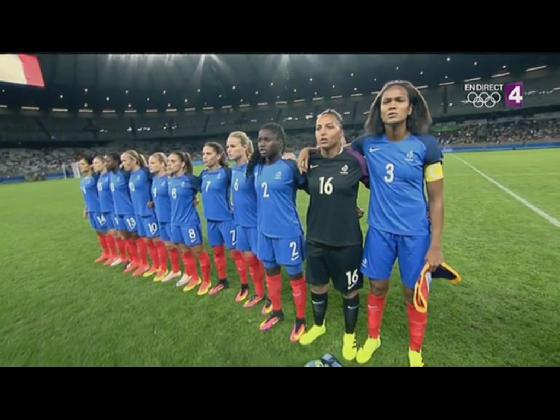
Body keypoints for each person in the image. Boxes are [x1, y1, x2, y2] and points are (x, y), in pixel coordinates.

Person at [300, 80, 444, 367]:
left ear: (410, 108)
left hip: (415, 233)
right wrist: (308, 150)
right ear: (378, 110)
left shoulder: (426, 145)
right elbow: (335, 150)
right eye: (386, 101)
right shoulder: (367, 143)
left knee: (412, 292)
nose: (391, 106)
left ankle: (415, 349)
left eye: (398, 100)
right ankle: (373, 337)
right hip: (379, 231)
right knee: (377, 286)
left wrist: (436, 245)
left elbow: (437, 200)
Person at [296, 109, 370, 362]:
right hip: (316, 238)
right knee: (317, 285)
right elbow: (311, 189)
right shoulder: (309, 162)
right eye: (318, 128)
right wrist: (306, 151)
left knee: (350, 290)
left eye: (329, 127)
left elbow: (377, 187)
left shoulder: (355, 161)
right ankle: (319, 325)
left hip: (347, 241)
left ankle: (350, 334)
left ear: (341, 132)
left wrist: (351, 207)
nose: (322, 132)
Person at [247, 122, 308, 343]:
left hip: (287, 232)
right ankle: (277, 312)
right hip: (264, 232)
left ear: (280, 142)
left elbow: (313, 187)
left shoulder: (289, 167)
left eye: (267, 139)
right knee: (271, 273)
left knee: (295, 277)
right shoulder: (257, 168)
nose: (261, 144)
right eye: (259, 140)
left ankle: (300, 319)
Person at [226, 131, 271, 312]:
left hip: (255, 224)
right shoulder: (234, 170)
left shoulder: (256, 169)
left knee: (265, 263)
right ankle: (259, 293)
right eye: (227, 146)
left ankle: (271, 297)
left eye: (233, 146)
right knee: (250, 260)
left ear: (245, 147)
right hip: (240, 224)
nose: (229, 150)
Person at [198, 142, 248, 297]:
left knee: (236, 254)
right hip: (211, 221)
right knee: (218, 253)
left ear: (219, 156)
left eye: (208, 153)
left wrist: (235, 205)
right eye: (203, 154)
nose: (205, 157)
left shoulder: (227, 173)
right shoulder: (203, 175)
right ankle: (222, 281)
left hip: (227, 220)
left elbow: (241, 188)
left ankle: (245, 285)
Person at [166, 151, 214, 296]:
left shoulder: (191, 180)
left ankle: (207, 281)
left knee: (198, 252)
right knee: (184, 251)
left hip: (189, 222)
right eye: (168, 161)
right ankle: (194, 277)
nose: (169, 164)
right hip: (175, 222)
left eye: (173, 161)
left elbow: (208, 191)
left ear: (182, 164)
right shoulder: (170, 180)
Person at [121, 150, 160, 278]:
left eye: (125, 160)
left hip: (148, 212)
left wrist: (154, 200)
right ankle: (150, 265)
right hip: (138, 212)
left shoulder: (145, 172)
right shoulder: (130, 175)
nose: (122, 163)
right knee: (146, 240)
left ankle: (162, 267)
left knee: (156, 241)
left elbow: (160, 181)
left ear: (134, 160)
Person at [106, 152, 142, 275]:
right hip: (118, 211)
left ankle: (142, 262)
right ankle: (133, 260)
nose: (106, 163)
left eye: (109, 161)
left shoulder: (125, 175)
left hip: (128, 210)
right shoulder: (111, 175)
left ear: (116, 162)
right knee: (124, 236)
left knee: (135, 236)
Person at [77, 155, 111, 262]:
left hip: (99, 209)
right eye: (79, 164)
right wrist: (86, 208)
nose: (80, 166)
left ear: (90, 165)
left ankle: (114, 254)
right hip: (91, 210)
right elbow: (86, 196)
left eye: (83, 164)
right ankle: (106, 253)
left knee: (107, 231)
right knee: (98, 232)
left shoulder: (95, 178)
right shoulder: (83, 180)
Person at [94, 155, 124, 267]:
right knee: (111, 233)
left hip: (113, 209)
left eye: (97, 163)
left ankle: (123, 256)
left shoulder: (111, 176)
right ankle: (114, 255)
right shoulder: (100, 177)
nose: (94, 165)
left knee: (119, 234)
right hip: (105, 209)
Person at [147, 153, 172, 282]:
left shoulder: (169, 179)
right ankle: (172, 269)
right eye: (149, 163)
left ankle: (189, 273)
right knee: (167, 245)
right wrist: (153, 203)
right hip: (159, 217)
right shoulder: (155, 179)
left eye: (153, 163)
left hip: (170, 218)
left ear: (162, 164)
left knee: (178, 246)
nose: (149, 165)